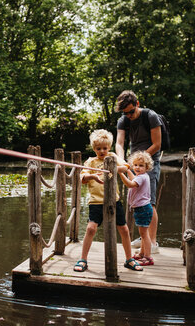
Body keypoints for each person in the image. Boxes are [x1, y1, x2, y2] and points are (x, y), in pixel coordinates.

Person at [73, 129, 143, 272]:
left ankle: (129, 259)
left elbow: (126, 167)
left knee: (123, 229)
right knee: (91, 229)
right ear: (94, 149)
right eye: (98, 149)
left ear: (109, 147)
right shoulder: (91, 162)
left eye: (105, 148)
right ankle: (83, 259)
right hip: (96, 202)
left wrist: (113, 168)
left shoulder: (112, 156)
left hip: (114, 201)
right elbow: (83, 178)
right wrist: (93, 177)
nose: (102, 151)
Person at [115, 90, 161, 253]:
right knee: (136, 198)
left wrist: (140, 161)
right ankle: (143, 237)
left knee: (149, 202)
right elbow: (119, 144)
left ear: (137, 104)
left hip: (149, 162)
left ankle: (153, 242)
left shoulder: (151, 116)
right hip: (133, 162)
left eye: (131, 111)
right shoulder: (123, 120)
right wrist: (122, 161)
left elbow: (157, 144)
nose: (129, 115)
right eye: (125, 113)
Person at [119, 151, 155, 266]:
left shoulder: (141, 178)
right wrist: (128, 170)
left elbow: (130, 184)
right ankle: (142, 253)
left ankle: (148, 257)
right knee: (143, 233)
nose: (137, 168)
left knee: (144, 234)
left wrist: (120, 174)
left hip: (142, 209)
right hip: (144, 208)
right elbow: (133, 178)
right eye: (135, 165)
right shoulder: (142, 176)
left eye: (141, 165)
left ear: (147, 167)